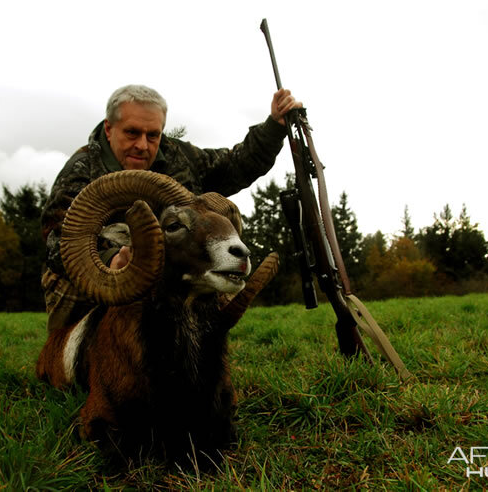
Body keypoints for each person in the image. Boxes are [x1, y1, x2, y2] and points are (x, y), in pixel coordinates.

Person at [41, 84, 301, 333]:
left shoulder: (178, 157)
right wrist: (112, 261)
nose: (143, 145)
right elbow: (59, 239)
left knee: (216, 219)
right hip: (107, 273)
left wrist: (274, 127)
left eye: (153, 135)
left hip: (171, 275)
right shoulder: (81, 169)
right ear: (109, 129)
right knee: (71, 365)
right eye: (132, 133)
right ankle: (72, 343)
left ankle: (204, 331)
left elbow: (236, 165)